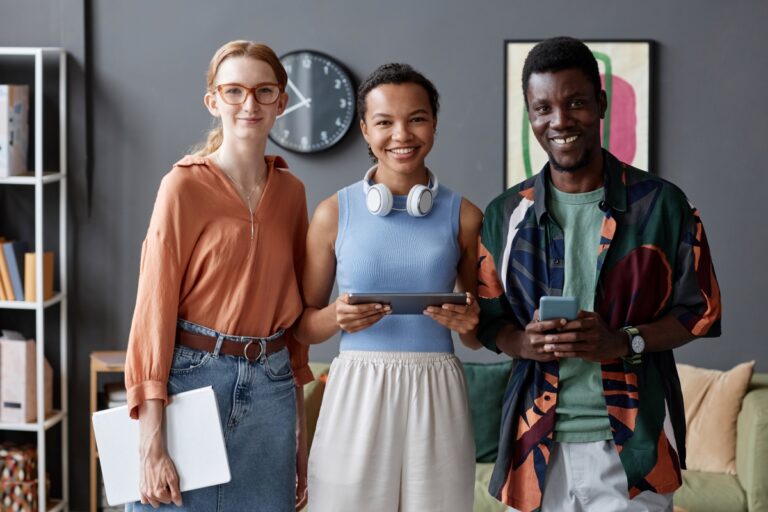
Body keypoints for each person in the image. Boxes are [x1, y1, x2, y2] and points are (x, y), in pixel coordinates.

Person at [477, 36, 722, 512]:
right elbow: (490, 322)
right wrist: (524, 343)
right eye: (542, 107)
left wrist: (622, 340)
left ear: (601, 104)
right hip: (535, 450)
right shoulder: (506, 213)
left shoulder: (664, 206)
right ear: (530, 115)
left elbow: (700, 312)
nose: (560, 121)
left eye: (576, 103)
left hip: (635, 447)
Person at [123, 40, 313, 511]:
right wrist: (151, 440)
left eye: (264, 91)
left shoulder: (291, 192)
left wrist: (300, 434)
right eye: (234, 91)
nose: (249, 104)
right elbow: (153, 309)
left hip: (271, 387)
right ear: (213, 102)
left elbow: (296, 324)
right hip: (190, 380)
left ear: (282, 102)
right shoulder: (182, 186)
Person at [296, 63, 483, 512]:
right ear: (365, 129)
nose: (402, 134)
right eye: (384, 122)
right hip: (356, 388)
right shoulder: (331, 214)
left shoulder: (467, 217)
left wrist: (470, 320)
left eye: (416, 118)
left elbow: (475, 336)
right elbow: (302, 326)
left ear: (434, 124)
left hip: (436, 389)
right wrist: (335, 317)